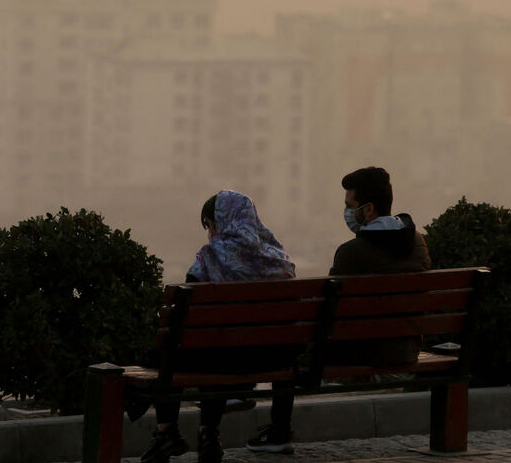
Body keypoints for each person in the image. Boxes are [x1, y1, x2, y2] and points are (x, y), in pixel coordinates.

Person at [245, 166, 431, 455]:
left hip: (366, 352)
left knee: (286, 343)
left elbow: (325, 314)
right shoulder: (418, 243)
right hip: (405, 348)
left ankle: (279, 431)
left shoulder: (351, 253)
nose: (346, 213)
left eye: (349, 206)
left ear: (368, 209)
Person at [141, 190, 296, 463]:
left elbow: (185, 320)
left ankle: (168, 432)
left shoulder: (210, 258)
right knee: (207, 346)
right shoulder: (278, 259)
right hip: (267, 361)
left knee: (171, 349)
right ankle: (208, 434)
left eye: (210, 225)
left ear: (222, 223)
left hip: (221, 361)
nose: (210, 233)